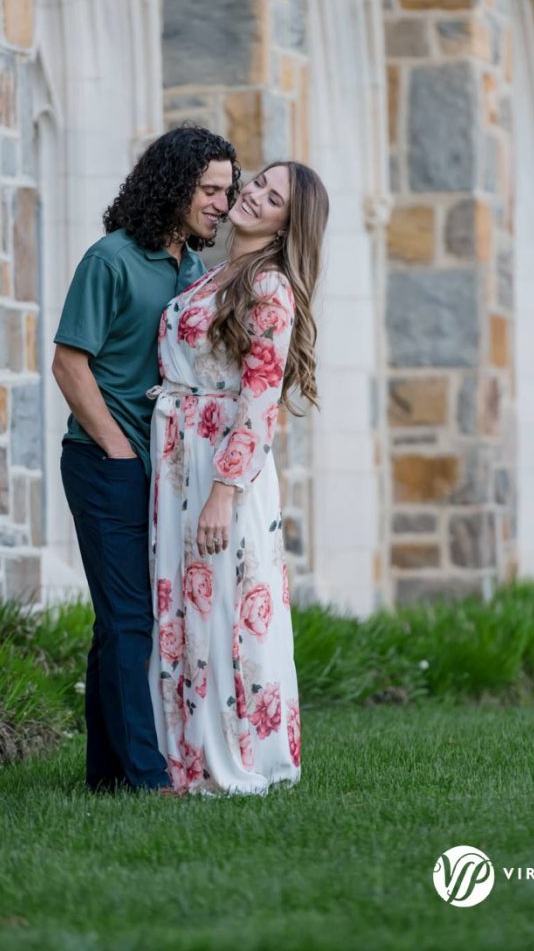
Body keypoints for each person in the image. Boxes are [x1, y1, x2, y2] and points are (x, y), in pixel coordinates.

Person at [50, 125, 240, 793]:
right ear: (173, 185)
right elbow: (69, 362)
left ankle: (104, 771)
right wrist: (118, 447)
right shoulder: (110, 259)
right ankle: (146, 777)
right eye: (209, 189)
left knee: (122, 619)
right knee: (131, 618)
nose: (221, 202)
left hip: (165, 473)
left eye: (227, 191)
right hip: (107, 464)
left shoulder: (194, 269)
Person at [146, 160, 328, 795]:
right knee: (183, 603)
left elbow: (259, 403)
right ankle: (183, 758)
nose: (253, 197)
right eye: (257, 184)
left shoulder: (270, 285)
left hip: (224, 469)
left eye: (272, 198)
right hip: (180, 460)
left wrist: (223, 494)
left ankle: (236, 757)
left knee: (223, 603)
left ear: (286, 224)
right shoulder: (213, 273)